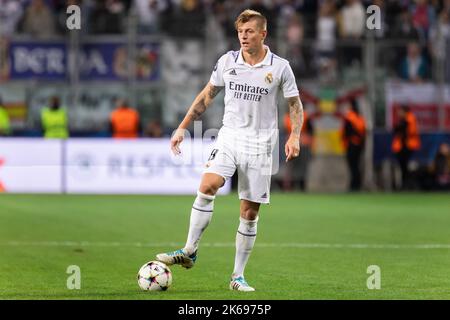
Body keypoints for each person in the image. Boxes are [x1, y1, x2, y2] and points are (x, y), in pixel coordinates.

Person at [156, 9, 303, 292]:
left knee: (249, 213)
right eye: (240, 32)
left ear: (263, 33)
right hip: (229, 137)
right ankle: (189, 250)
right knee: (208, 184)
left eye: (249, 32)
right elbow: (206, 97)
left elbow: (295, 105)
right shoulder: (227, 61)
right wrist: (182, 127)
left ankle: (237, 276)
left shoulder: (280, 67)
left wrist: (295, 135)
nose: (244, 37)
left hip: (261, 145)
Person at [391, 105, 421, 190]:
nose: (398, 113)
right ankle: (405, 185)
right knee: (403, 166)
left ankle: (408, 185)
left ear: (404, 111)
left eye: (400, 111)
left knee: (406, 166)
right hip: (403, 147)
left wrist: (398, 128)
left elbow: (405, 131)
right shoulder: (403, 120)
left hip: (408, 146)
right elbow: (396, 130)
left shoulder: (409, 119)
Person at [283, 108, 313, 190]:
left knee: (298, 166)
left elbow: (310, 131)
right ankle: (293, 186)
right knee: (293, 166)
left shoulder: (288, 117)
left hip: (302, 144)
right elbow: (311, 131)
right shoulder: (304, 115)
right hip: (296, 144)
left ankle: (298, 185)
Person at [341, 98, 366, 191]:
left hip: (352, 144)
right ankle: (357, 184)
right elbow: (363, 133)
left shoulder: (350, 117)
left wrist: (345, 141)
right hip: (359, 145)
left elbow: (347, 132)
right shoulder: (359, 118)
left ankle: (354, 185)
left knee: (353, 165)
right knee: (356, 165)